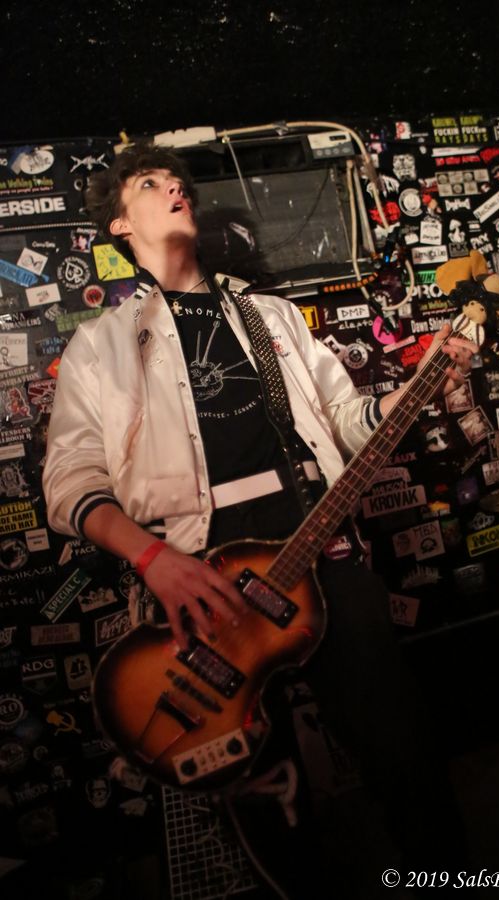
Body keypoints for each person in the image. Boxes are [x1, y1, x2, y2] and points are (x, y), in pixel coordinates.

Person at [43, 143, 476, 895]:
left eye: (179, 180)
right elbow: (70, 482)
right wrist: (154, 560)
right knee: (269, 797)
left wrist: (418, 384)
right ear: (119, 224)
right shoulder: (99, 345)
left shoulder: (267, 314)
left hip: (322, 554)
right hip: (205, 588)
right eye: (151, 182)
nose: (175, 187)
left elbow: (346, 420)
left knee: (405, 754)